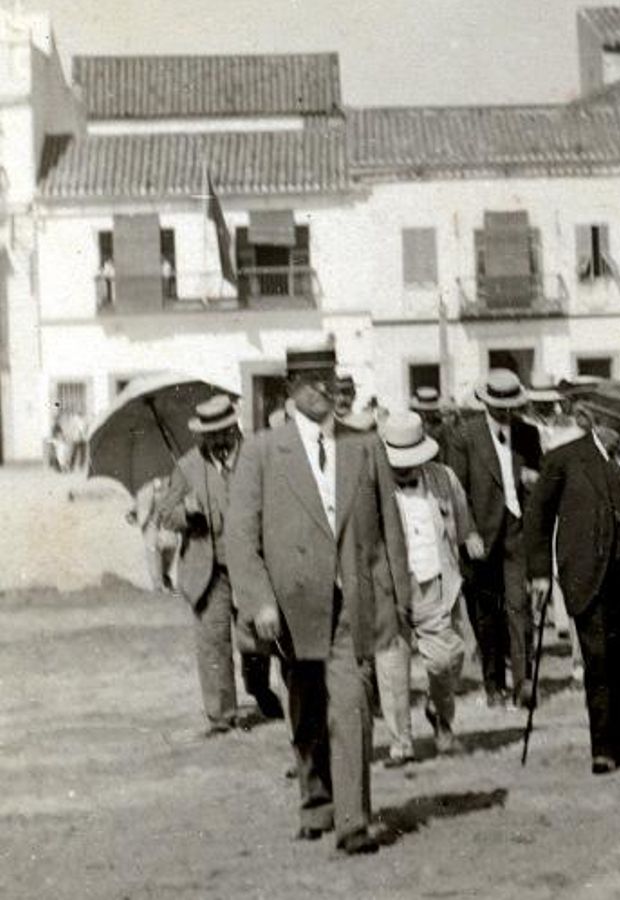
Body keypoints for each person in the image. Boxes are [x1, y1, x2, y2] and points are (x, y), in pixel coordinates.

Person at [226, 341, 410, 855]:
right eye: (309, 381)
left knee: (350, 706)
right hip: (289, 611)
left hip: (353, 603)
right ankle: (317, 802)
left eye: (328, 378)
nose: (322, 389)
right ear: (290, 390)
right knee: (306, 710)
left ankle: (354, 821)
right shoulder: (263, 452)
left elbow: (390, 530)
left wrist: (398, 600)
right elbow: (240, 538)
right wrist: (258, 601)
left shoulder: (365, 445)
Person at [528, 380, 620, 774]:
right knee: (599, 660)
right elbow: (538, 518)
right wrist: (538, 574)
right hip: (587, 573)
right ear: (598, 422)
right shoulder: (564, 459)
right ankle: (603, 745)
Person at [157, 394, 283, 734]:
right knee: (213, 642)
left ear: (234, 427)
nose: (217, 439)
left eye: (223, 431)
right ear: (201, 434)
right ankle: (221, 715)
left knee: (256, 638)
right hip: (207, 572)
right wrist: (188, 513)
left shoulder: (257, 457)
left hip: (252, 564)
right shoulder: (187, 466)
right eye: (209, 434)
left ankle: (258, 689)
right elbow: (165, 514)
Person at [380, 410, 481, 759]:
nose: (405, 469)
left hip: (436, 581)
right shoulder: (373, 485)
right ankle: (401, 741)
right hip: (392, 587)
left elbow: (461, 514)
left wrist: (469, 536)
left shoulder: (443, 477)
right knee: (393, 667)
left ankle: (440, 714)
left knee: (447, 659)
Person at [445, 369, 541, 709]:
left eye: (510, 406)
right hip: (481, 537)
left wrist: (535, 480)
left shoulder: (529, 435)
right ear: (485, 403)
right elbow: (456, 492)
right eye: (498, 406)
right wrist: (467, 531)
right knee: (486, 617)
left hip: (518, 534)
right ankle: (493, 685)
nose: (505, 412)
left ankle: (524, 684)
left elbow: (538, 484)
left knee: (520, 610)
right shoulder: (464, 436)